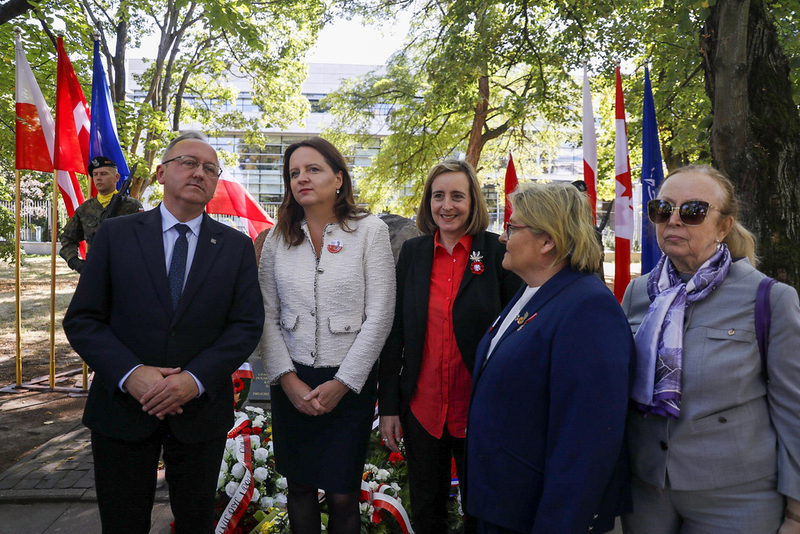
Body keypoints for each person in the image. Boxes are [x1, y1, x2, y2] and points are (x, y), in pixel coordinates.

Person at [62, 132, 264, 534]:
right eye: (189, 162)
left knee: (195, 523)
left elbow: (245, 325)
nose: (200, 173)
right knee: (123, 523)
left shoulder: (236, 247)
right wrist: (131, 374)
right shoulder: (116, 235)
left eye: (210, 169)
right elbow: (83, 319)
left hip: (199, 413)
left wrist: (193, 379)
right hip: (121, 409)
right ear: (161, 172)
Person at [621, 165, 800, 533]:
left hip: (736, 498)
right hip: (646, 491)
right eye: (662, 209)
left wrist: (796, 513)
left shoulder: (769, 299)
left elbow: (793, 411)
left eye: (693, 211)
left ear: (723, 227)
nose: (674, 220)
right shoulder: (639, 293)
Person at [464, 181, 633, 534]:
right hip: (504, 503)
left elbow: (586, 441)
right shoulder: (533, 291)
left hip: (538, 513)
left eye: (512, 227)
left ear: (547, 241)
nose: (501, 238)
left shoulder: (588, 308)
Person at [259, 137, 395, 534]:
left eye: (313, 169)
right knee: (298, 488)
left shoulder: (370, 231)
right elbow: (266, 314)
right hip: (293, 383)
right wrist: (286, 379)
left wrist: (344, 382)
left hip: (347, 385)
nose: (302, 178)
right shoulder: (276, 237)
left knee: (341, 495)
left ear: (338, 177)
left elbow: (381, 314)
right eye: (294, 173)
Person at [379, 159, 522, 534]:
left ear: (473, 202)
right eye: (438, 196)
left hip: (479, 408)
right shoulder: (412, 253)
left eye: (457, 196)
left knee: (481, 509)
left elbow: (517, 333)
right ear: (428, 202)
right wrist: (390, 407)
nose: (447, 206)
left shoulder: (497, 252)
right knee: (427, 509)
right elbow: (394, 332)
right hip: (423, 407)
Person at [59, 156, 143, 273]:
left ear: (116, 177)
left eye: (103, 174)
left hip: (125, 271)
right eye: (95, 174)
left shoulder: (131, 206)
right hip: (94, 269)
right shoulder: (85, 208)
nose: (98, 178)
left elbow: (143, 239)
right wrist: (74, 261)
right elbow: (67, 238)